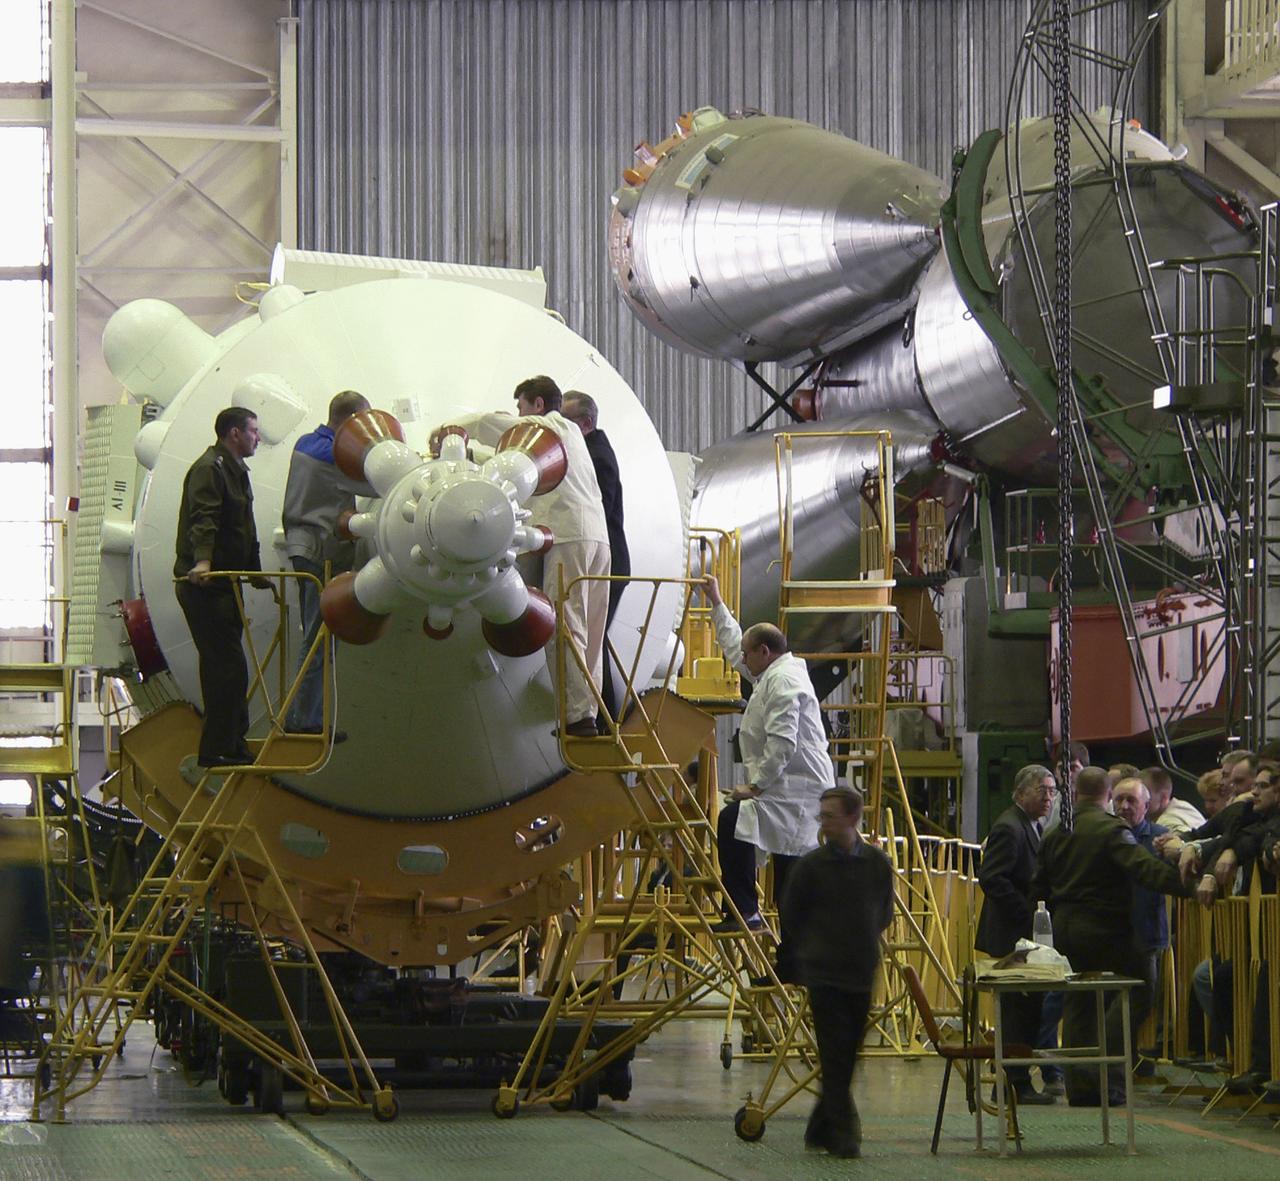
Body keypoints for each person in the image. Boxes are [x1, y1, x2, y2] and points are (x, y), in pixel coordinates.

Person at [448, 376, 610, 738]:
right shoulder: (571, 432)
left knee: (565, 625)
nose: (519, 413)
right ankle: (590, 711)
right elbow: (517, 459)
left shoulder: (544, 425)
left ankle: (578, 718)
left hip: (568, 536)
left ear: (537, 405)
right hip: (597, 539)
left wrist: (452, 430)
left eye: (522, 405)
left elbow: (493, 424)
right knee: (591, 630)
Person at [698, 573, 832, 982]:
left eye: (748, 655)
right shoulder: (773, 671)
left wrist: (754, 787)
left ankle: (744, 911)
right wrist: (716, 602)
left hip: (794, 792)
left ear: (764, 651)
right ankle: (791, 966)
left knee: (732, 820)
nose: (742, 662)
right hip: (789, 790)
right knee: (790, 883)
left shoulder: (785, 682)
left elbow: (783, 744)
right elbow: (736, 647)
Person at [1031, 766, 1187, 1105]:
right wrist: (1185, 883)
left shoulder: (1056, 832)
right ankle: (1109, 1073)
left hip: (1065, 930)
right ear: (1107, 795)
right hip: (1105, 932)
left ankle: (1081, 1089)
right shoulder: (1110, 829)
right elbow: (1142, 868)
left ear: (1075, 794)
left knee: (1078, 1004)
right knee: (1141, 987)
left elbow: (1038, 885)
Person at [780, 787, 893, 1158]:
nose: (823, 823)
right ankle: (843, 1134)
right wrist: (811, 951)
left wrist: (859, 937)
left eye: (830, 815)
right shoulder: (810, 867)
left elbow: (884, 912)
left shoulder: (877, 864)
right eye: (822, 815)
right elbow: (792, 914)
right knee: (835, 1053)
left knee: (848, 1051)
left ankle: (820, 1124)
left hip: (860, 970)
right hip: (824, 973)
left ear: (853, 818)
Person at [174, 407, 271, 767]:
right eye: (253, 431)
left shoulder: (236, 472)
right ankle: (217, 748)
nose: (257, 438)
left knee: (230, 667)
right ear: (234, 433)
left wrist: (255, 573)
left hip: (224, 584)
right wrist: (203, 561)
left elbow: (246, 526)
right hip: (206, 586)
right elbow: (205, 518)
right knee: (224, 667)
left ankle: (232, 744)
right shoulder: (209, 469)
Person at [281, 389, 371, 739]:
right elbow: (375, 481)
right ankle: (303, 718)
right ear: (350, 420)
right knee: (319, 637)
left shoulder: (306, 443)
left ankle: (306, 715)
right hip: (321, 551)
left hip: (304, 546)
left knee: (316, 634)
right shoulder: (334, 453)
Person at [974, 764, 1058, 1104]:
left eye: (1052, 791)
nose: (1049, 798)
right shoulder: (1010, 827)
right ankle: (1014, 1084)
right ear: (1021, 792)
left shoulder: (1029, 826)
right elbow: (992, 877)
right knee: (1016, 1013)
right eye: (1042, 790)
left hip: (1023, 936)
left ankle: (1015, 1082)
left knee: (1025, 1012)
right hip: (1012, 935)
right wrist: (1028, 915)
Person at [561, 390, 630, 719]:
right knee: (594, 642)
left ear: (585, 423)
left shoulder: (596, 456)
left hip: (606, 563)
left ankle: (604, 720)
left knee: (593, 642)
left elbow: (595, 510)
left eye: (566, 421)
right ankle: (604, 720)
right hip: (608, 562)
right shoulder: (594, 451)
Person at [1111, 776, 1170, 1067]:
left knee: (1144, 999)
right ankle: (1120, 1058)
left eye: (1131, 800)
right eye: (1118, 799)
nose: (1123, 806)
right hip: (1109, 936)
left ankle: (1126, 1056)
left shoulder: (1161, 839)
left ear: (1146, 806)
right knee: (1111, 1000)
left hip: (1147, 935)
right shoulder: (1105, 835)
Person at [1141, 765, 1205, 833]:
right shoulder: (1183, 805)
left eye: (1144, 794)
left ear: (1163, 797)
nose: (1139, 800)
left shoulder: (1167, 824)